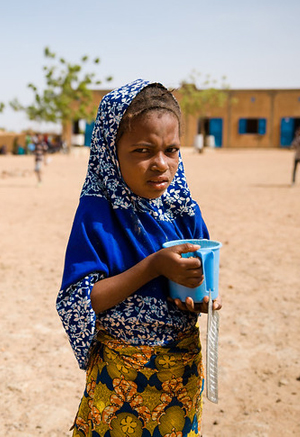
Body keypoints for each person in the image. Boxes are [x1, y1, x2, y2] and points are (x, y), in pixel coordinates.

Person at [56, 79, 220, 437]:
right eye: (143, 151)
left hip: (181, 375)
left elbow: (197, 283)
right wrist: (153, 265)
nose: (161, 164)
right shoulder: (97, 214)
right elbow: (80, 301)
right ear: (109, 152)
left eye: (172, 150)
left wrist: (201, 300)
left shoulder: (183, 210)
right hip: (119, 380)